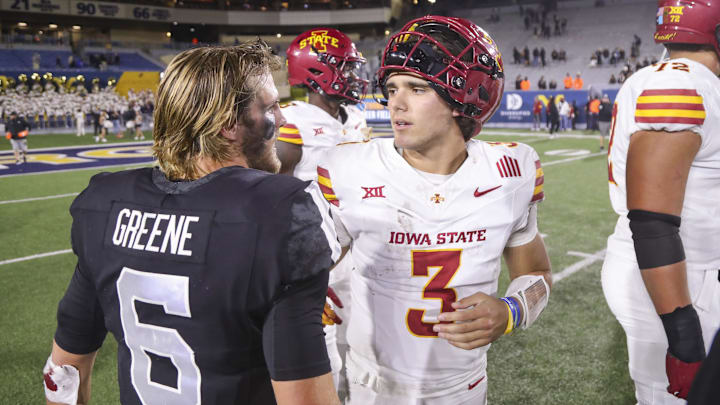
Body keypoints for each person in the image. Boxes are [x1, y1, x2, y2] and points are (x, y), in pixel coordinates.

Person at [42, 42, 342, 405]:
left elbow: (64, 369)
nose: (282, 119)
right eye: (270, 107)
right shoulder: (276, 212)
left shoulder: (106, 206)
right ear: (228, 124)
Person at [318, 16, 552, 404]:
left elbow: (537, 273)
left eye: (417, 88)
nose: (397, 103)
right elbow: (295, 268)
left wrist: (510, 310)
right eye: (392, 88)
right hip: (371, 387)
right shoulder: (350, 170)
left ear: (466, 96)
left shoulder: (511, 173)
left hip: (463, 389)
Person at [602, 1, 720, 403]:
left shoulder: (681, 78)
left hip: (686, 268)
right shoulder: (684, 82)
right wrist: (683, 332)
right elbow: (652, 219)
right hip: (678, 276)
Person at [277, 27, 370, 395]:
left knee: (361, 352)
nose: (352, 77)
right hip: (314, 258)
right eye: (345, 69)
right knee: (324, 364)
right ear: (320, 72)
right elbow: (269, 197)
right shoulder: (292, 123)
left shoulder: (355, 118)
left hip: (356, 252)